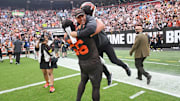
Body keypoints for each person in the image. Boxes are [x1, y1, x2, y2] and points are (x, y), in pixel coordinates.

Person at [80, 2, 131, 85]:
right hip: (96, 46)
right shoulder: (83, 23)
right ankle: (108, 74)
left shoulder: (92, 20)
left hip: (104, 43)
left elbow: (101, 26)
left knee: (114, 60)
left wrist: (90, 34)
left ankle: (125, 66)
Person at [62, 9, 103, 101]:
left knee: (83, 82)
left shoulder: (66, 37)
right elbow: (100, 26)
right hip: (93, 61)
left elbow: (70, 34)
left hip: (82, 62)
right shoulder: (81, 30)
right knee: (96, 87)